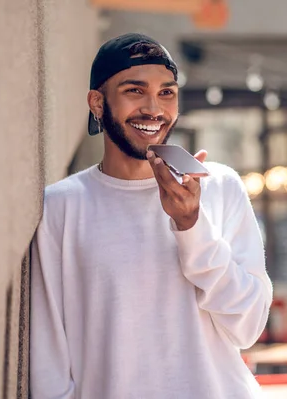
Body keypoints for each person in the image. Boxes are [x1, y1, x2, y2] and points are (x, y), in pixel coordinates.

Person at [30, 33, 273, 399]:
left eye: (166, 92)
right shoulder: (61, 208)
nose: (154, 109)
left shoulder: (219, 187)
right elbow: (48, 363)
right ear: (97, 102)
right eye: (134, 90)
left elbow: (248, 327)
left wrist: (192, 225)